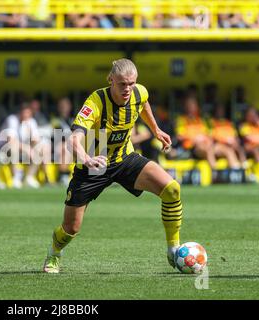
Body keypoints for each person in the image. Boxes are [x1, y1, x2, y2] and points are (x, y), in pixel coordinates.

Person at [42, 58, 181, 273]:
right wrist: (86, 158)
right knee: (71, 228)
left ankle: (174, 248)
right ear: (110, 80)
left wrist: (156, 130)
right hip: (92, 166)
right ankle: (54, 253)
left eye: (131, 83)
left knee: (171, 189)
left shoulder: (139, 92)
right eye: (122, 84)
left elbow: (143, 104)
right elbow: (73, 139)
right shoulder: (95, 102)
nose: (128, 89)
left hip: (124, 159)